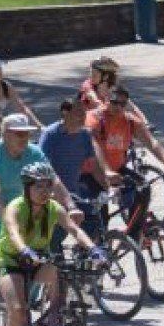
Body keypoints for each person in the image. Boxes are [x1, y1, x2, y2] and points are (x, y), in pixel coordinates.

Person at [0, 162, 104, 326]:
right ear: (27, 188)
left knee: (61, 274)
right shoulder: (16, 207)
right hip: (11, 261)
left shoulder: (54, 208)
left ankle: (52, 320)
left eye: (48, 186)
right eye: (38, 186)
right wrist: (23, 250)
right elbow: (12, 231)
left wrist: (94, 249)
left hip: (37, 261)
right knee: (18, 308)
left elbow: (75, 230)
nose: (45, 191)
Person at [0, 114, 81, 272]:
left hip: (16, 206)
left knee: (33, 237)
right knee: (2, 230)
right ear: (5, 134)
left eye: (27, 133)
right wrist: (5, 217)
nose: (24, 137)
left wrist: (71, 206)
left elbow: (53, 179)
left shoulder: (33, 152)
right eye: (19, 133)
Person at [79, 85, 164, 214]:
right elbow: (93, 146)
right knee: (99, 216)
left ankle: (133, 232)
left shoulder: (130, 121)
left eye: (123, 104)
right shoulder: (94, 118)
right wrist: (107, 171)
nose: (118, 107)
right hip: (90, 172)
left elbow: (152, 143)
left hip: (117, 170)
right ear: (106, 100)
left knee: (143, 188)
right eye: (114, 102)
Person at [39, 96, 115, 243]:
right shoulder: (50, 135)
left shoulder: (85, 135)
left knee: (93, 224)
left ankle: (84, 256)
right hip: (53, 195)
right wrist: (55, 194)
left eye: (84, 112)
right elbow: (45, 168)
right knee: (56, 238)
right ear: (65, 113)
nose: (83, 116)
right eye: (78, 112)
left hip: (75, 193)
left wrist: (108, 187)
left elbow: (94, 167)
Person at [78, 56, 148, 123]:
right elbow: (94, 99)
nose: (91, 76)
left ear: (105, 77)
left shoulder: (113, 89)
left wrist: (144, 124)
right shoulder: (87, 85)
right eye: (91, 73)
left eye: (94, 74)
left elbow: (130, 106)